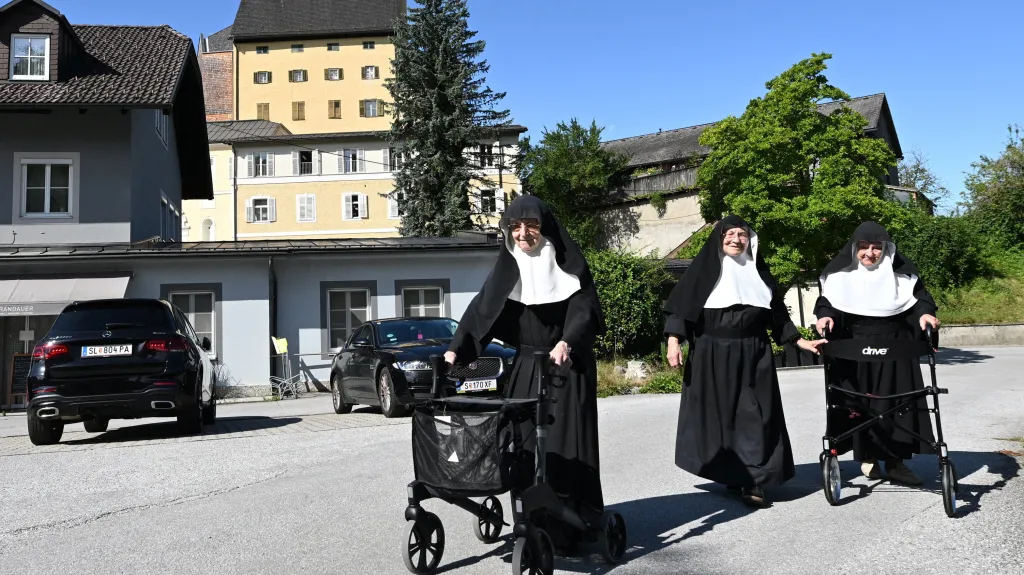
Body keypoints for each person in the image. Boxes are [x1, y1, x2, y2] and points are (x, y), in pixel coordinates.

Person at [444, 194, 605, 554]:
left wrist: (567, 342)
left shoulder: (569, 268)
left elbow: (584, 312)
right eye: (515, 227)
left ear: (544, 228)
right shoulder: (509, 267)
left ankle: (571, 526)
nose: (522, 233)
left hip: (567, 369)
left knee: (565, 446)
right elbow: (480, 312)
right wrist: (457, 348)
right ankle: (530, 522)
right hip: (526, 368)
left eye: (530, 226)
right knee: (525, 447)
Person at [664, 215, 825, 507]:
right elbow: (681, 310)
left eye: (742, 234)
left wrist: (800, 341)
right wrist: (674, 341)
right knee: (719, 417)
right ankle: (733, 473)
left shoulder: (758, 273)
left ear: (750, 240)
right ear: (719, 237)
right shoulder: (702, 271)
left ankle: (754, 480)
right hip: (710, 353)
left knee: (755, 414)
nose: (736, 239)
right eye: (730, 233)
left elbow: (778, 317)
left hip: (754, 351)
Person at [814, 221, 940, 486]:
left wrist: (926, 314)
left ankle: (896, 463)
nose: (869, 254)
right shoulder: (840, 276)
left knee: (897, 405)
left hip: (895, 345)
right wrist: (824, 317)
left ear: (886, 250)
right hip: (854, 347)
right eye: (863, 247)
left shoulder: (902, 277)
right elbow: (827, 303)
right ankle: (868, 455)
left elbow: (920, 301)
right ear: (854, 248)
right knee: (861, 404)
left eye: (876, 248)